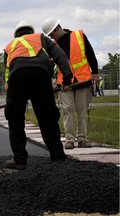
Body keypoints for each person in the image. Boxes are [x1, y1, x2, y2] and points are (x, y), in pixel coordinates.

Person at [3, 21, 73, 170]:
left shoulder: (10, 46)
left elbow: (7, 75)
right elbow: (60, 55)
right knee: (47, 117)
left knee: (15, 119)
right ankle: (58, 156)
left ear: (16, 34)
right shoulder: (41, 38)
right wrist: (66, 79)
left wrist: (13, 100)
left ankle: (20, 160)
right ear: (31, 31)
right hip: (41, 76)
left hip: (17, 78)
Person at [42, 18, 99, 149]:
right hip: (65, 83)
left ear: (57, 28)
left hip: (82, 80)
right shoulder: (52, 45)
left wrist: (95, 73)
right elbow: (50, 65)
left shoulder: (79, 36)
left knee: (82, 110)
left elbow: (90, 54)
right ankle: (70, 139)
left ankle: (82, 139)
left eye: (52, 34)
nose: (51, 37)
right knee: (67, 110)